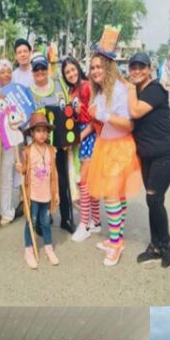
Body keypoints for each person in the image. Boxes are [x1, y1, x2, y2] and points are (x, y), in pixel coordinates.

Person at [85, 40, 141, 267]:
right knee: (116, 195)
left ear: (109, 67)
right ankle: (116, 238)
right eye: (93, 67)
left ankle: (116, 243)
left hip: (119, 147)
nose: (96, 71)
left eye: (100, 66)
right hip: (106, 146)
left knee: (111, 195)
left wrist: (102, 115)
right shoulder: (103, 90)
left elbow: (129, 124)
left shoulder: (119, 89)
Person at [127, 52, 170, 267]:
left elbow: (136, 111)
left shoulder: (155, 90)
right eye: (133, 67)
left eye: (141, 67)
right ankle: (155, 245)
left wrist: (130, 87)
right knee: (153, 201)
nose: (137, 71)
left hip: (166, 153)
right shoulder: (137, 91)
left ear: (149, 69)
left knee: (153, 198)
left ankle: (167, 243)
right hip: (147, 155)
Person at [27, 53, 74, 233]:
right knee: (42, 181)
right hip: (40, 146)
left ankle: (66, 217)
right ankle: (41, 219)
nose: (40, 72)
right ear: (33, 72)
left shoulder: (59, 84)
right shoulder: (29, 91)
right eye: (36, 69)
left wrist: (69, 137)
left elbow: (68, 110)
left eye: (42, 68)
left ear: (47, 68)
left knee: (62, 181)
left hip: (60, 144)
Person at [64, 56, 102, 241]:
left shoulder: (87, 86)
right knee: (89, 181)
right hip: (82, 135)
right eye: (67, 72)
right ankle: (96, 221)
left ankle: (84, 224)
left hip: (89, 135)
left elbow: (94, 119)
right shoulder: (72, 91)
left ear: (78, 69)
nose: (71, 74)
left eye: (73, 69)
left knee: (85, 182)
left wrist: (81, 136)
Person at [16, 112, 60, 269]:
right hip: (33, 195)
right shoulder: (27, 151)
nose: (42, 134)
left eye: (44, 131)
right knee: (31, 222)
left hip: (46, 195)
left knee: (46, 222)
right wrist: (19, 168)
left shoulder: (51, 151)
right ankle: (28, 248)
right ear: (32, 133)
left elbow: (54, 173)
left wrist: (57, 193)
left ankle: (48, 246)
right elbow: (23, 171)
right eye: (38, 131)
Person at [0, 60, 21, 226]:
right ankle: (0, 209)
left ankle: (8, 211)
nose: (7, 75)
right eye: (3, 72)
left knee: (6, 175)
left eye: (9, 72)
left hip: (10, 140)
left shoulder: (15, 93)